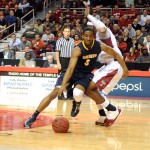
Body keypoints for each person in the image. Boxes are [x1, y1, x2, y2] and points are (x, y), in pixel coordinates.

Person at [23, 27, 128, 128]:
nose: (88, 38)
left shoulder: (99, 46)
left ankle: (77, 103)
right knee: (54, 92)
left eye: (90, 36)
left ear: (93, 37)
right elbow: (70, 69)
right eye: (85, 36)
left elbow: (116, 54)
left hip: (85, 75)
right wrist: (63, 85)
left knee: (83, 92)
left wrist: (124, 68)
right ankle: (33, 117)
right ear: (82, 36)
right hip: (72, 73)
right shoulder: (78, 49)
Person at [83, 6, 126, 125]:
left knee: (92, 89)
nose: (90, 30)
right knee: (93, 91)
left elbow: (101, 27)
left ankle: (114, 110)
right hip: (108, 66)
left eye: (92, 27)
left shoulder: (103, 34)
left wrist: (89, 15)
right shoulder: (92, 41)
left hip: (115, 65)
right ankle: (102, 116)